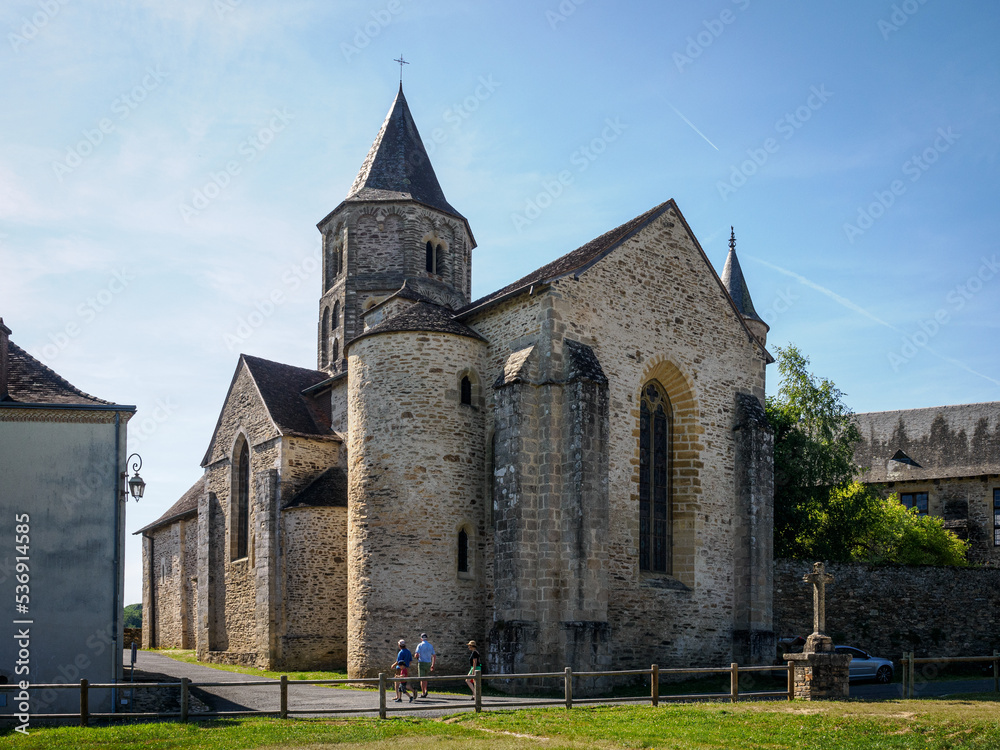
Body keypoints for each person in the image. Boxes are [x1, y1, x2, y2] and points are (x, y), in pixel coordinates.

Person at [414, 632, 437, 697]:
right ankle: (426, 689)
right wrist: (432, 664)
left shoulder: (420, 645)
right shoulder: (430, 645)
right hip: (428, 662)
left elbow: (417, 654)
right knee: (426, 678)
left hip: (421, 662)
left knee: (422, 678)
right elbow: (434, 655)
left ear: (421, 639)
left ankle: (423, 692)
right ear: (427, 639)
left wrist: (416, 656)